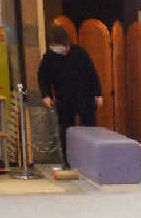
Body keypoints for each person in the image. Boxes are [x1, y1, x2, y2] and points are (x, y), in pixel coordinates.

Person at [37, 24, 102, 168]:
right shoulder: (49, 57)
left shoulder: (80, 53)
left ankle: (91, 160)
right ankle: (68, 161)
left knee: (90, 128)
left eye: (61, 45)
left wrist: (98, 94)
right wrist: (46, 95)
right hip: (64, 97)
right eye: (55, 45)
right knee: (66, 130)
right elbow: (42, 77)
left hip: (85, 96)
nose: (59, 48)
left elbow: (92, 74)